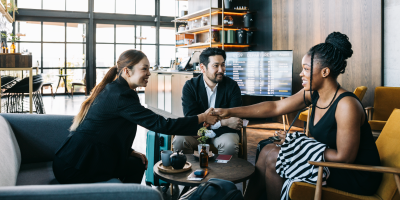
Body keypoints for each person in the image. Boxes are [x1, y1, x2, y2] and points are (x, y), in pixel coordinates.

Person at [212, 32, 382, 199]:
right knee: (267, 150)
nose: (301, 73)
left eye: (306, 69)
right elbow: (275, 106)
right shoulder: (313, 94)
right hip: (329, 164)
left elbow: (345, 158)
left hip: (356, 175)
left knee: (274, 158)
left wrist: (299, 143)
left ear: (325, 72)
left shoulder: (346, 105)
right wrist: (229, 111)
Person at [52, 50, 219, 184]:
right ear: (127, 71)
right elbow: (162, 124)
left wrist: (130, 152)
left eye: (149, 68)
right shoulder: (121, 96)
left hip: (73, 159)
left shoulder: (115, 89)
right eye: (144, 68)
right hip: (76, 167)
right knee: (135, 166)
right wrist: (201, 117)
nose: (149, 73)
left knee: (137, 163)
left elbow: (104, 130)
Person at [172, 48, 243, 156]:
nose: (221, 70)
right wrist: (223, 122)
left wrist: (209, 128)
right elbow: (192, 119)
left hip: (223, 133)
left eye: (223, 65)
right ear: (202, 68)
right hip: (198, 133)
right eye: (216, 66)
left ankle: (224, 173)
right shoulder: (190, 86)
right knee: (179, 141)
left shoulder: (232, 86)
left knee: (229, 144)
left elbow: (234, 120)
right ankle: (189, 171)